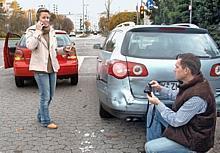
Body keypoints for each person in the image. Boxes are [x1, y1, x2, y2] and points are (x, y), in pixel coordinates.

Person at [145, 53, 216, 153]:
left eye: (177, 67)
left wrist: (158, 103)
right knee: (155, 110)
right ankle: (160, 146)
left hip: (195, 140)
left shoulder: (198, 96)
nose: (174, 69)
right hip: (188, 126)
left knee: (150, 147)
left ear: (186, 70)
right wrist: (160, 89)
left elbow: (176, 121)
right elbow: (180, 96)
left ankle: (156, 148)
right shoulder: (194, 82)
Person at [25, 8, 68, 129]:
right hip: (40, 68)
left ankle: (40, 115)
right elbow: (30, 46)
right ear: (38, 19)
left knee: (51, 96)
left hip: (52, 67)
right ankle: (45, 120)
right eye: (43, 17)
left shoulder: (51, 31)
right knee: (45, 96)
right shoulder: (32, 30)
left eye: (48, 17)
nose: (46, 20)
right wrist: (38, 32)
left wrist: (64, 50)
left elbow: (53, 50)